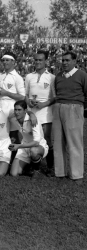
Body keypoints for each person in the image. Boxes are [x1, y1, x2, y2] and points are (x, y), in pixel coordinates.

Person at [53, 51, 87, 183]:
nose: (65, 63)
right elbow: (57, 92)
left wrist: (83, 109)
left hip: (74, 107)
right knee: (58, 142)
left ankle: (76, 174)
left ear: (74, 61)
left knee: (75, 142)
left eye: (67, 60)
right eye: (63, 60)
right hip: (58, 107)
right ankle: (60, 172)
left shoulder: (82, 75)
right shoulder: (58, 76)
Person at [25, 50, 56, 175]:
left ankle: (50, 167)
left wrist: (44, 104)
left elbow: (55, 97)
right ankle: (35, 166)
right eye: (36, 60)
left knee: (47, 139)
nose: (37, 62)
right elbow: (25, 95)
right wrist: (29, 102)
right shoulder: (28, 76)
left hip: (46, 113)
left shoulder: (52, 77)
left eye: (40, 60)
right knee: (34, 138)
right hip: (32, 112)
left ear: (46, 61)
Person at [9, 100, 48, 177]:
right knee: (14, 173)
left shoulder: (33, 120)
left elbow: (36, 142)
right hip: (24, 146)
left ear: (25, 111)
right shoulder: (13, 119)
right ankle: (29, 166)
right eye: (15, 110)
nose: (17, 112)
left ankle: (37, 170)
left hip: (39, 146)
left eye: (19, 110)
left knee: (34, 150)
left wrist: (18, 146)